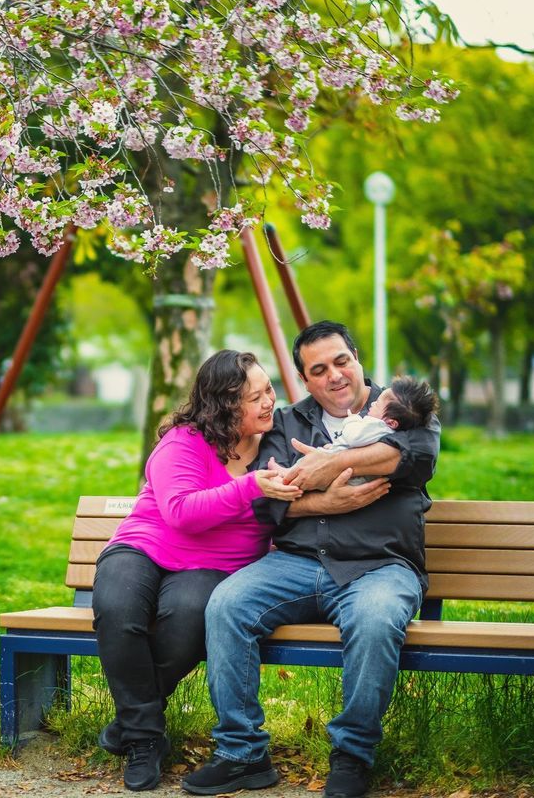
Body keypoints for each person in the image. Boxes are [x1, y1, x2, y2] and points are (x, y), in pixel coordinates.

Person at [182, 321, 440, 798]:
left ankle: (352, 755)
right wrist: (327, 500)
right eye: (318, 370)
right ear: (305, 379)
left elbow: (415, 457)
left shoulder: (400, 407)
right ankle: (242, 753)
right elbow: (265, 499)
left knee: (377, 618)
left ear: (357, 358)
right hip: (297, 563)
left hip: (380, 567)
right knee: (227, 605)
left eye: (341, 361)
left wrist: (328, 464)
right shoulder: (287, 422)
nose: (334, 376)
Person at [92, 350, 302, 791]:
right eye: (255, 396)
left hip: (214, 564)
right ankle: (146, 739)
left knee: (188, 620)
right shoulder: (185, 441)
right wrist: (250, 486)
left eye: (270, 390)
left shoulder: (279, 439)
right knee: (117, 609)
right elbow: (181, 513)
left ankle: (130, 724)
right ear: (225, 404)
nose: (270, 402)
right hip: (146, 545)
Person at [323, 376, 438, 484]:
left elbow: (353, 437)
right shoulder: (394, 431)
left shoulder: (377, 426)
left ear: (391, 423)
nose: (372, 403)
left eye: (377, 404)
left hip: (351, 480)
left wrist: (352, 420)